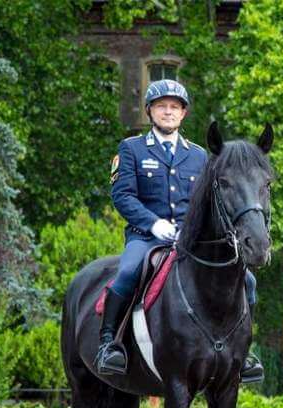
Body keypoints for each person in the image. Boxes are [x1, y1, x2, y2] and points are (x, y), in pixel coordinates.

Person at [97, 78, 263, 383]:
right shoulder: (131, 149)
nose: (168, 112)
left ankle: (244, 352)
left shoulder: (199, 155)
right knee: (129, 271)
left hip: (189, 240)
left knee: (247, 280)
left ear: (184, 114)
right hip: (146, 237)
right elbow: (122, 195)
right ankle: (110, 343)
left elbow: (208, 201)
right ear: (150, 111)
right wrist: (153, 223)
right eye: (162, 107)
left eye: (175, 107)